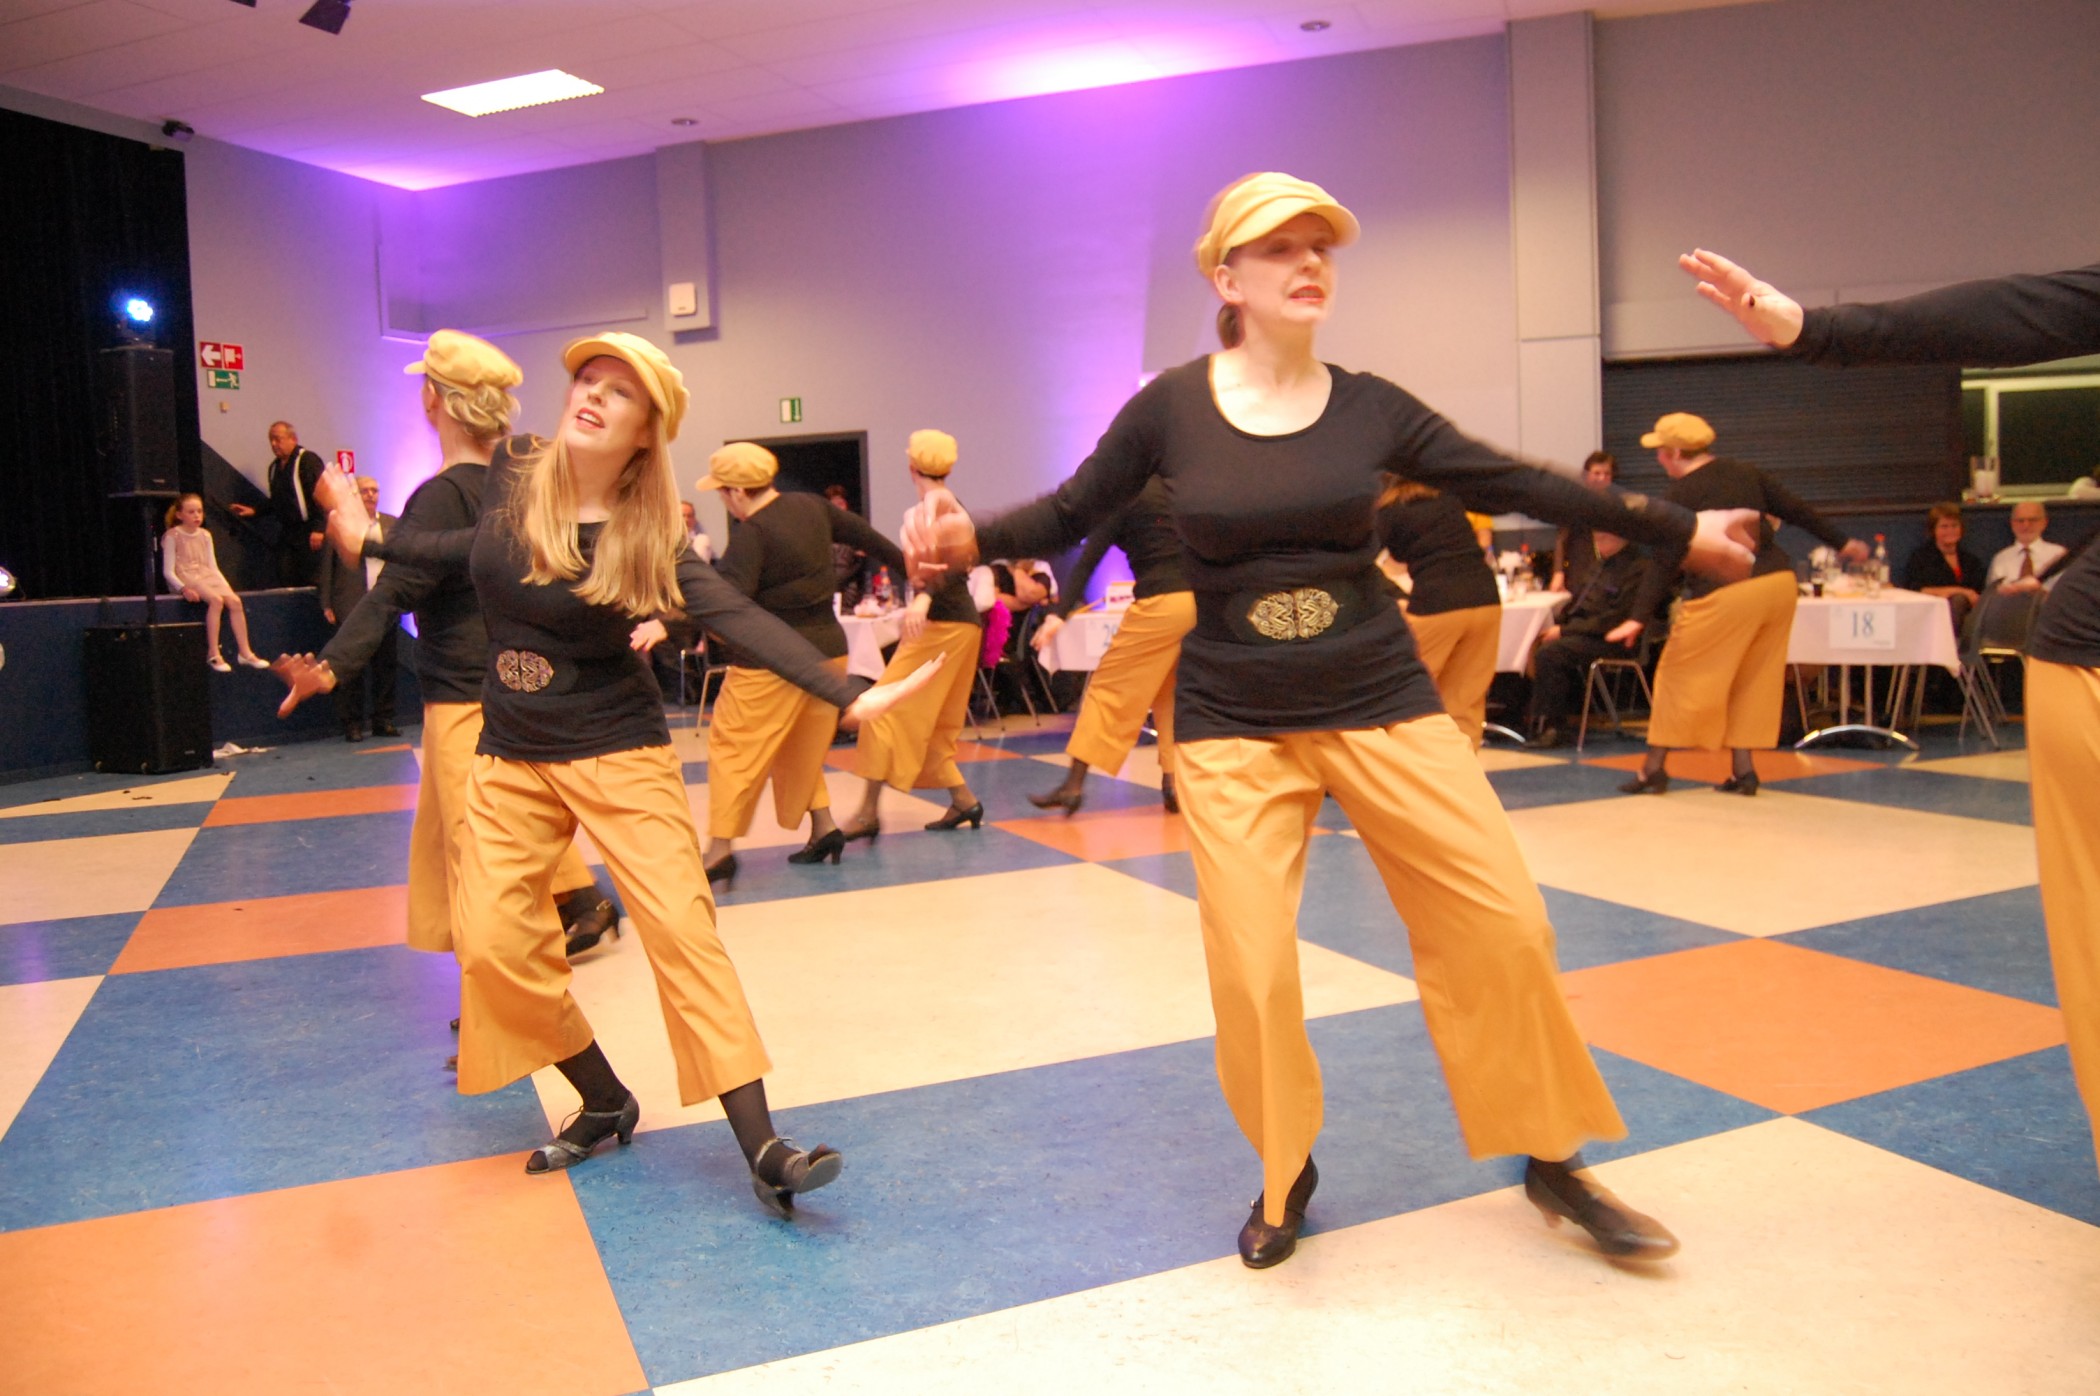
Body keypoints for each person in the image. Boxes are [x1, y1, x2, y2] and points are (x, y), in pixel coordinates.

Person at [903, 173, 1761, 1269]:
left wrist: (1675, 528)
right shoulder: (1171, 408)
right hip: (1232, 716)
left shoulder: (1371, 408)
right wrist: (968, 539)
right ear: (1227, 278)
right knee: (1253, 965)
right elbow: (1074, 508)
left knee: (1504, 925)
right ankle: (1284, 1166)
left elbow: (1517, 479)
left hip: (1381, 698)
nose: (1310, 262)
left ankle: (1551, 1154)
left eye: (1322, 247)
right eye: (1280, 247)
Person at [314, 332, 940, 1208]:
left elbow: (733, 613)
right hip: (512, 752)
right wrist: (374, 535)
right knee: (491, 945)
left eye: (619, 391)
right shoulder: (516, 472)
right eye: (587, 379)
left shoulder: (646, 537)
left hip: (619, 749)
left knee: (682, 932)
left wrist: (846, 692)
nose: (591, 395)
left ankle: (764, 1145)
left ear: (647, 430)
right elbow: (465, 549)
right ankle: (604, 1098)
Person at [1679, 248, 2100, 1176]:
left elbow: (2018, 308)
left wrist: (1815, 332)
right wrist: (1815, 330)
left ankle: (1696, 761)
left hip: (1742, 601)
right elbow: (2018, 308)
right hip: (2078, 657)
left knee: (1706, 686)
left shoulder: (1703, 482)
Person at [273, 332, 620, 1013]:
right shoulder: (526, 483)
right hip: (524, 695)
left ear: (433, 400)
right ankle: (566, 920)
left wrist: (330, 668)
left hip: (465, 704)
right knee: (509, 840)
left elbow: (391, 593)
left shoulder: (441, 496)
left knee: (479, 858)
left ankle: (506, 1004)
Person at [1617, 412, 1866, 798]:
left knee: (1678, 675)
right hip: (1778, 586)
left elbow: (1664, 561)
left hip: (1728, 591)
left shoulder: (1680, 496)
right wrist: (1842, 542)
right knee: (1754, 678)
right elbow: (1797, 510)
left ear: (1677, 452)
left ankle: (1654, 769)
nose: (1659, 459)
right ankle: (1744, 771)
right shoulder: (1747, 473)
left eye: (1661, 451)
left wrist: (1637, 617)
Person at [698, 441, 906, 881]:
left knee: (732, 747)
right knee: (800, 748)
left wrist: (671, 624)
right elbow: (869, 538)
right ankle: (824, 827)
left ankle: (718, 851)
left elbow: (722, 600)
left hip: (771, 661)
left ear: (737, 492)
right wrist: (914, 570)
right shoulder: (813, 506)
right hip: (829, 654)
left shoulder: (752, 534)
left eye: (721, 491)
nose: (722, 500)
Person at [842, 430, 991, 839]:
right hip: (961, 625)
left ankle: (868, 813)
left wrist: (923, 598)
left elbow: (955, 565)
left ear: (911, 467)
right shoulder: (946, 504)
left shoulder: (935, 507)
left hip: (943, 625)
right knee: (934, 722)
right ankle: (963, 800)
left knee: (881, 710)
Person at [1028, 477, 1194, 815]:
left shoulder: (1121, 493)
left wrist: (1058, 614)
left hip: (1160, 602)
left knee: (1107, 689)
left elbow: (1088, 561)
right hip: (1196, 602)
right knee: (1169, 693)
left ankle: (1073, 785)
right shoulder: (1174, 484)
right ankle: (1173, 783)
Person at [1378, 481, 1501, 748]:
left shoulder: (1389, 511)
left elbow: (1360, 564)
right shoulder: (1447, 498)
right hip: (1486, 597)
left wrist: (1396, 595)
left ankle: (1407, 763)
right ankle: (1464, 768)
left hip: (1437, 601)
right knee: (1466, 700)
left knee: (1406, 691)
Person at [1525, 530, 1651, 748]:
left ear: (1620, 537)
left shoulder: (1637, 568)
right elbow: (1579, 606)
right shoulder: (1599, 564)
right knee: (1532, 642)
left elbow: (1613, 620)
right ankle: (1526, 717)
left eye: (1602, 539)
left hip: (1612, 639)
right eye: (1596, 539)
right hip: (1584, 630)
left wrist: (1565, 631)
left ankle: (1555, 726)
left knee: (1552, 653)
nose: (1598, 544)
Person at [318, 476, 401, 742]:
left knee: (385, 667)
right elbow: (327, 565)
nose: (370, 495)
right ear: (356, 495)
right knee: (351, 668)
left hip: (387, 605)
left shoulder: (393, 524)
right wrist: (326, 601)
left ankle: (383, 720)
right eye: (365, 491)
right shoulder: (341, 524)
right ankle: (352, 724)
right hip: (351, 603)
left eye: (374, 490)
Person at [162, 492, 270, 672]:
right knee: (216, 600)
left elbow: (213, 567)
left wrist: (226, 587)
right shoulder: (173, 536)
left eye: (199, 511)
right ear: (179, 515)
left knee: (235, 601)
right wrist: (183, 588)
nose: (197, 516)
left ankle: (245, 651)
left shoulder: (205, 535)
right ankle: (213, 652)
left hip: (206, 575)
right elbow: (168, 571)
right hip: (188, 576)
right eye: (191, 512)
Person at [229, 421, 329, 587]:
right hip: (288, 533)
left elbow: (321, 495)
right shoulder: (275, 467)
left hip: (309, 530)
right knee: (285, 574)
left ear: (293, 439)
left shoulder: (307, 460)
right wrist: (255, 511)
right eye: (271, 440)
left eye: (278, 439)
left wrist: (319, 528)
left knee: (311, 578)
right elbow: (278, 500)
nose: (274, 444)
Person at [1901, 502, 1985, 630]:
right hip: (1931, 618)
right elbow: (1917, 590)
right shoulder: (1921, 558)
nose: (1950, 531)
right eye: (1944, 527)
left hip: (1971, 619)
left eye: (1954, 526)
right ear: (1933, 530)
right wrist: (1960, 591)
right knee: (1958, 600)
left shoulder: (1971, 560)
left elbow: (1979, 593)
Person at [1548, 451, 1619, 593]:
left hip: (1610, 572)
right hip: (1580, 572)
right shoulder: (1574, 503)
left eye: (1607, 474)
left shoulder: (1618, 504)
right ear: (1586, 475)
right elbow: (1561, 540)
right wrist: (1558, 572)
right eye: (1597, 473)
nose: (1602, 478)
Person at [1984, 501, 2066, 593]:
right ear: (2012, 524)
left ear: (2044, 522)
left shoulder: (2059, 555)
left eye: (2032, 520)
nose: (2026, 525)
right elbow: (1992, 596)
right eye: (2020, 521)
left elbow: (2066, 592)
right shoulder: (2000, 559)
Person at [680, 498, 714, 563]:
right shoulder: (667, 541)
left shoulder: (701, 541)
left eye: (689, 516)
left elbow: (698, 564)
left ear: (694, 519)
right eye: (683, 516)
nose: (686, 520)